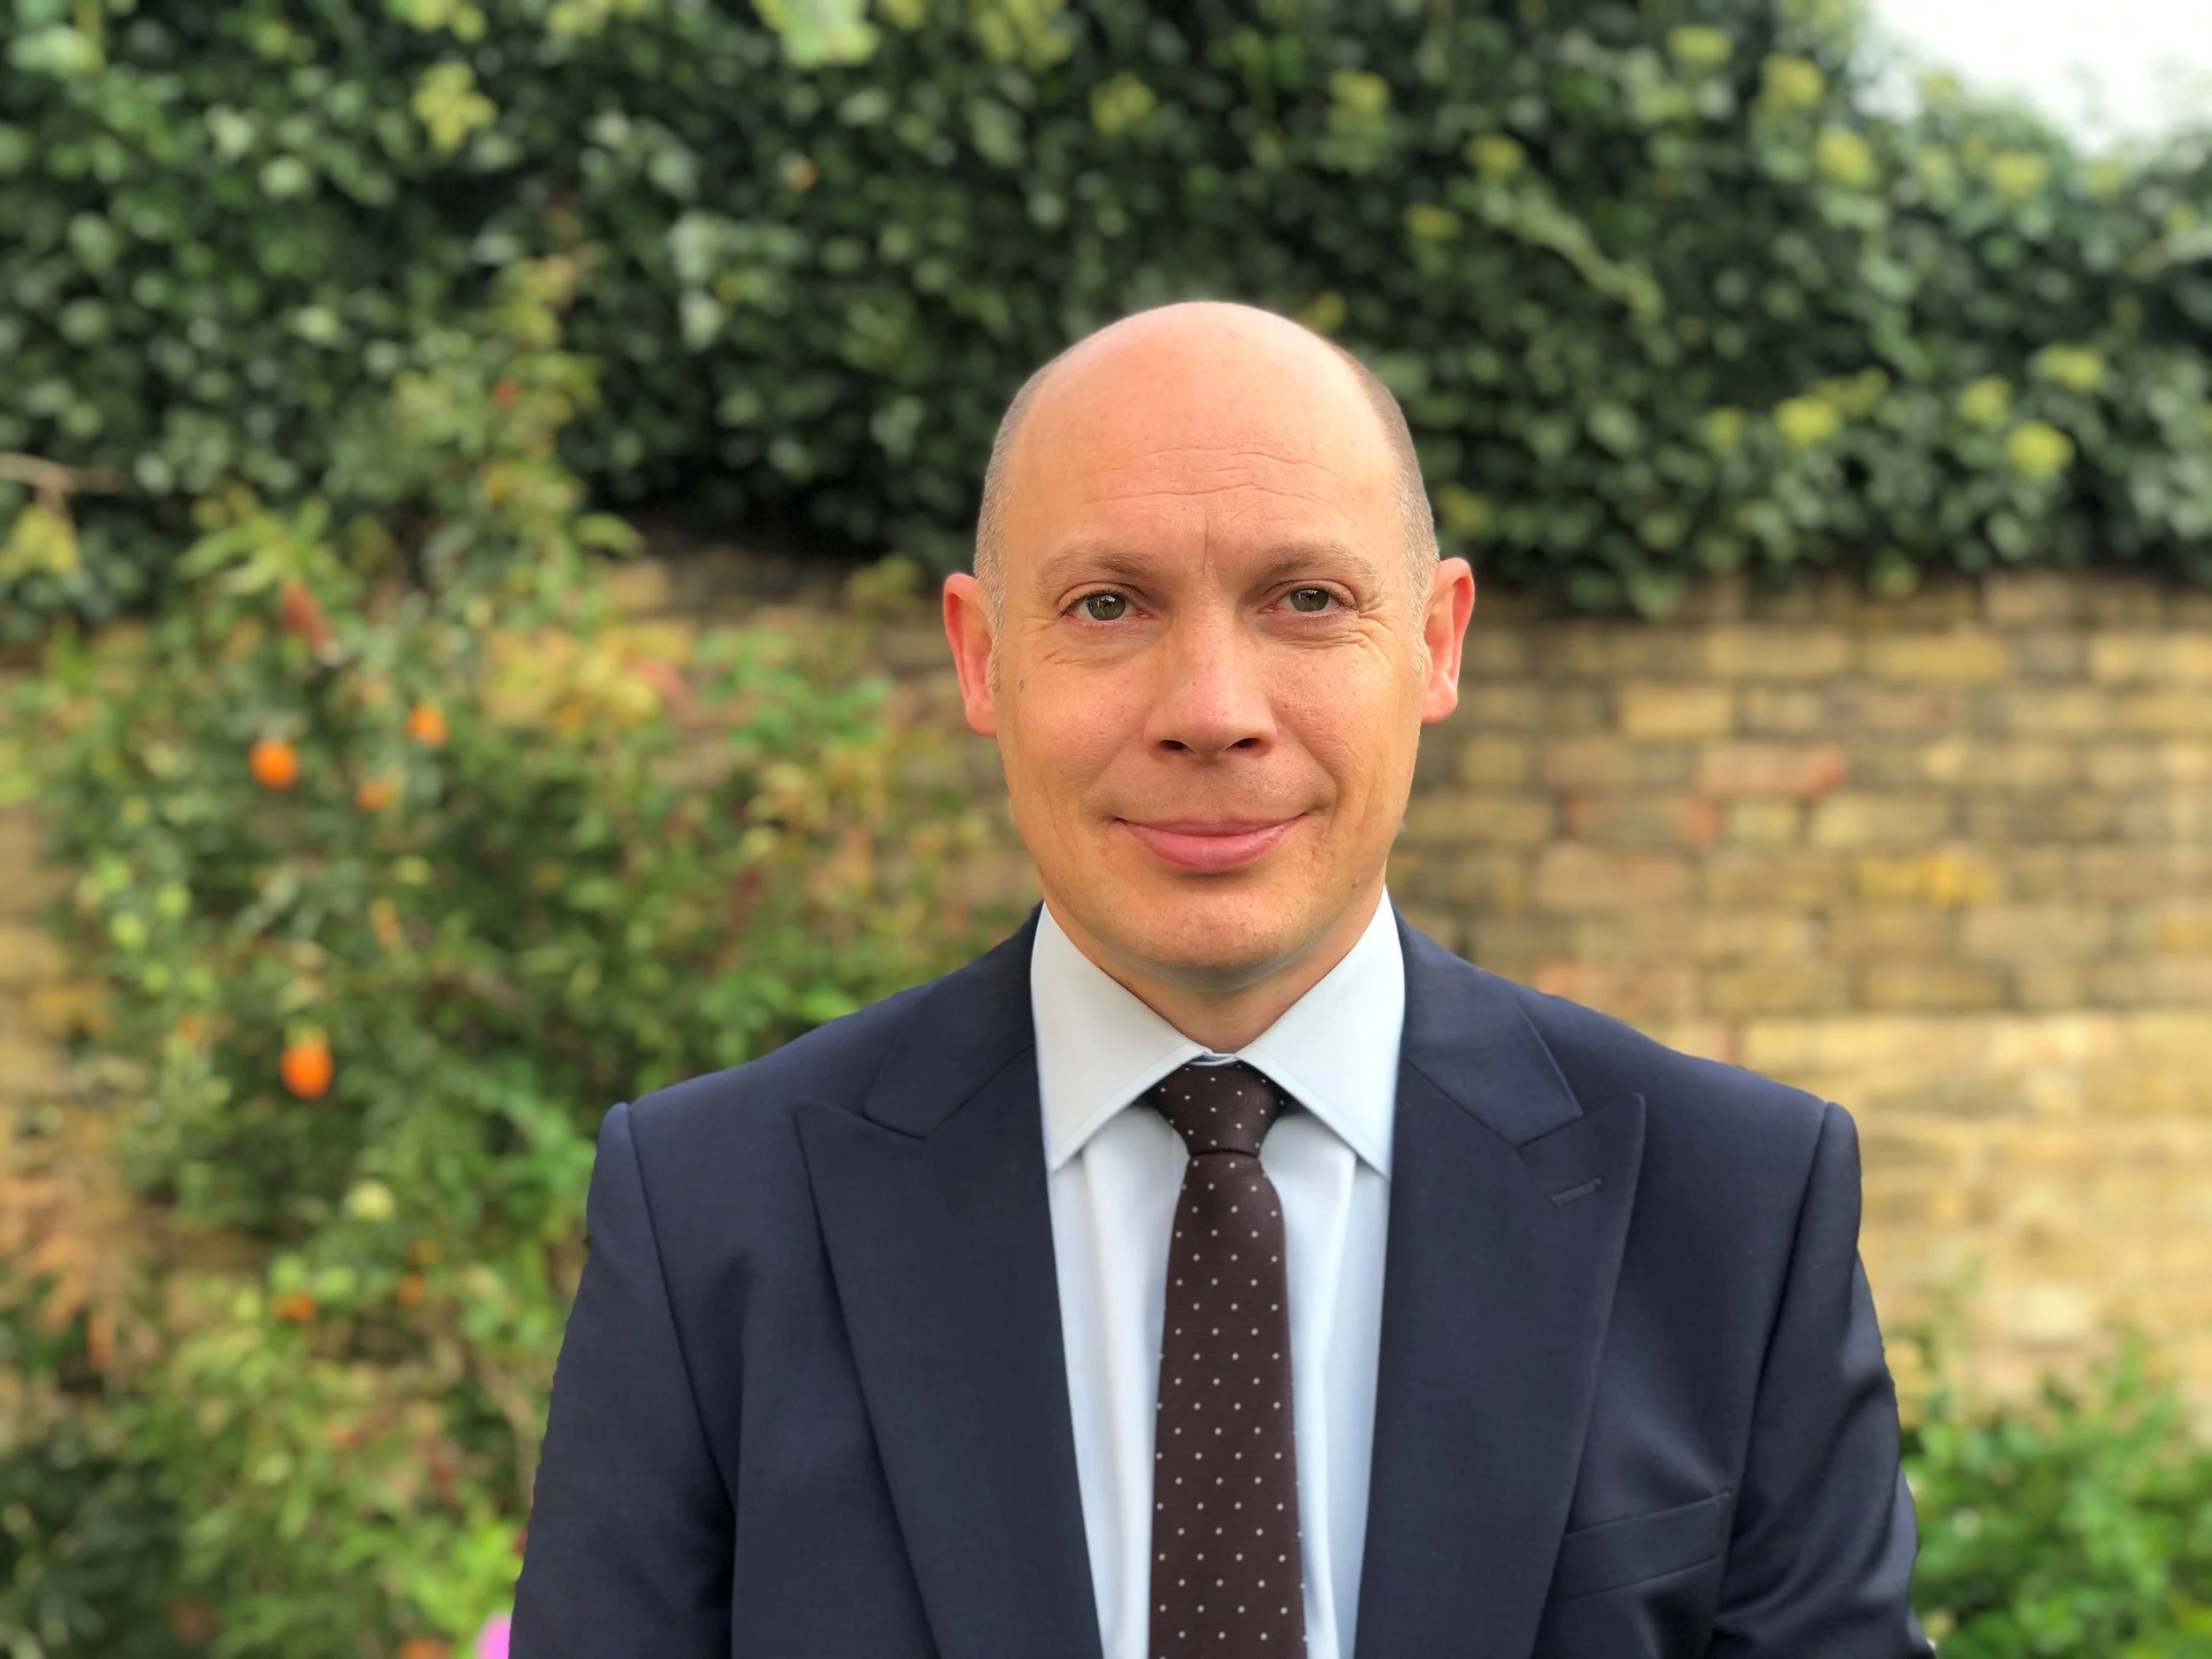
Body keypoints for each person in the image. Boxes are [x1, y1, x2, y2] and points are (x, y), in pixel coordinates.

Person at [511, 301, 1935, 1659]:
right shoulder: (714, 1215)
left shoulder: (1732, 1206)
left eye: (1306, 598)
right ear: (982, 652)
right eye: (1111, 602)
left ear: (1436, 641)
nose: (1212, 710)